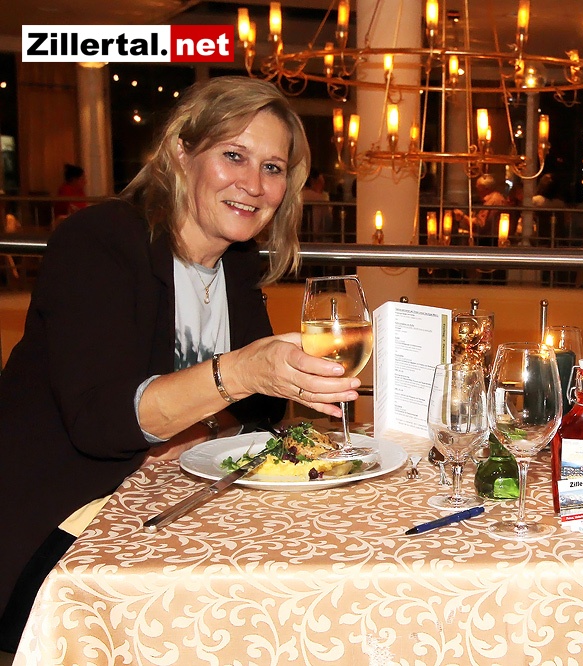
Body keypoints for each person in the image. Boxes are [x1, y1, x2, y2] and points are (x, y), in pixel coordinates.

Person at [0, 76, 362, 652]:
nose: (254, 184)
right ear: (179, 151)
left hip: (171, 512)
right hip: (63, 529)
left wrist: (198, 419)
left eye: (272, 168)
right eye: (234, 155)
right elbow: (102, 422)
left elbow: (263, 414)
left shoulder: (235, 264)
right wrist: (236, 375)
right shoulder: (99, 242)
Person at [301, 168, 332, 241]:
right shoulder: (320, 199)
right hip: (315, 239)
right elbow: (328, 224)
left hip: (295, 239)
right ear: (314, 181)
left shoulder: (295, 197)